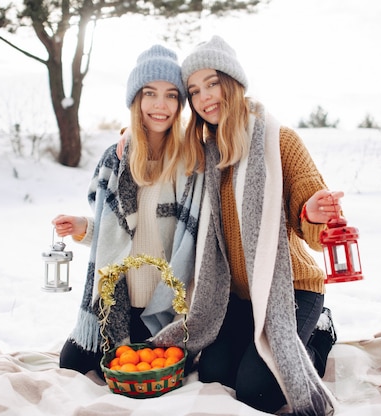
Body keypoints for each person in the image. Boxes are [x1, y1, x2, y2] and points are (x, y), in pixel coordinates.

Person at [151, 36, 340, 415]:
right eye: (194, 90)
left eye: (213, 83)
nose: (205, 97)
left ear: (233, 83)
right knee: (215, 376)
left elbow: (312, 212)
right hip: (237, 298)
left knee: (258, 392)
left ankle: (319, 333)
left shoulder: (278, 141)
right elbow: (157, 151)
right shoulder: (204, 155)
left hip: (290, 291)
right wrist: (128, 138)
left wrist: (314, 215)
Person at [52, 44, 204, 380]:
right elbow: (113, 232)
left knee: (158, 371)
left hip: (165, 304)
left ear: (180, 103)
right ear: (136, 100)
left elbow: (195, 237)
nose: (160, 105)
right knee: (72, 363)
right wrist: (81, 227)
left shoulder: (190, 161)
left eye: (170, 95)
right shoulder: (116, 159)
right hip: (119, 299)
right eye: (150, 94)